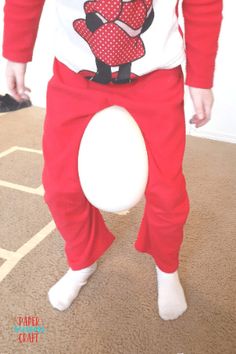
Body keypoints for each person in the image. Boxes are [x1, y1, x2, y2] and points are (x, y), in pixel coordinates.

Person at [2, 0, 223, 320]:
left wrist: (200, 78)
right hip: (75, 77)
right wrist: (16, 51)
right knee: (60, 186)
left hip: (155, 77)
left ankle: (166, 267)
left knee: (167, 191)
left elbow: (203, 4)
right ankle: (82, 259)